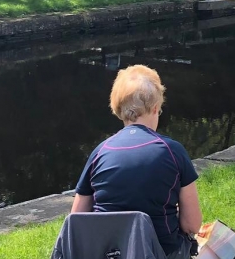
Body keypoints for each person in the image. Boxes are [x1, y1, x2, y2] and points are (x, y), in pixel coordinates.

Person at [71, 65, 203, 259]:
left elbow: (77, 220)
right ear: (156, 108)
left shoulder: (100, 153)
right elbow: (192, 225)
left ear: (119, 110)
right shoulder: (172, 151)